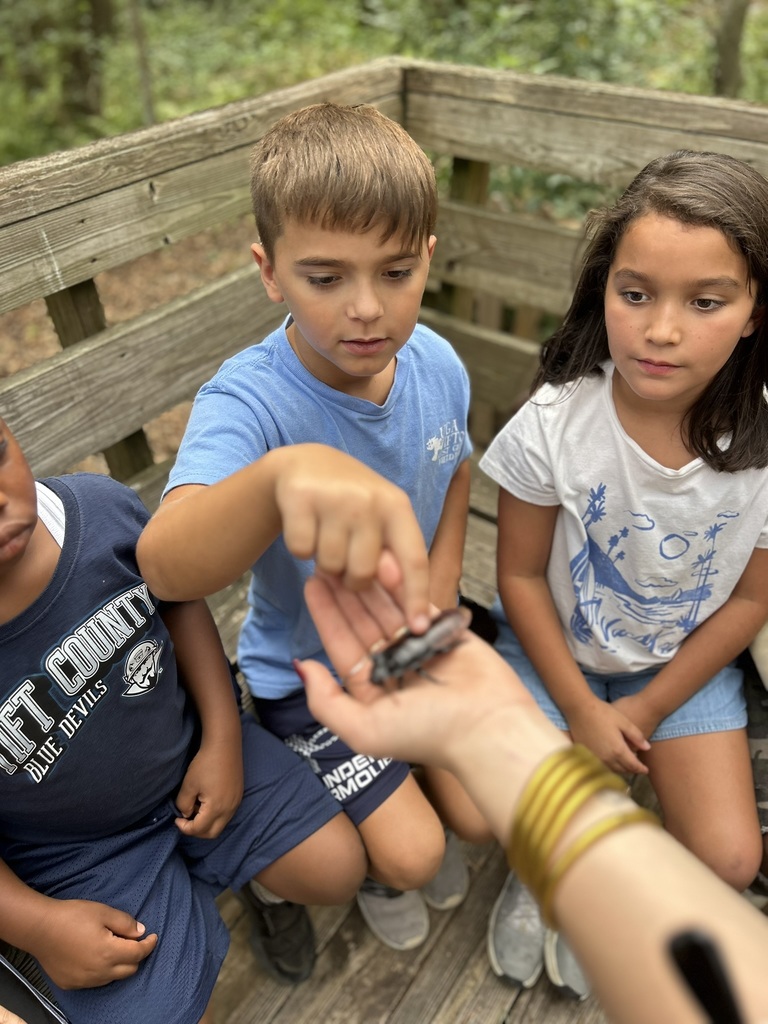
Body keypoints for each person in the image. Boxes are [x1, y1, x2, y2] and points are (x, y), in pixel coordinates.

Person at [137, 102, 486, 955]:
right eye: (325, 278)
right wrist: (281, 476)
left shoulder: (436, 362)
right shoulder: (248, 402)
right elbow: (165, 562)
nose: (366, 310)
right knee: (414, 854)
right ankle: (368, 863)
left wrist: (437, 594)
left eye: (396, 273)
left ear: (428, 259)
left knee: (479, 815)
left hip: (408, 646)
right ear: (269, 271)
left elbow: (457, 470)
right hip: (307, 677)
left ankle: (392, 808)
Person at [478, 149, 768, 999]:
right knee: (488, 806)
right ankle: (549, 875)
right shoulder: (555, 424)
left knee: (729, 856)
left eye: (705, 301)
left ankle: (618, 875)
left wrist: (642, 708)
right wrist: (576, 708)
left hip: (677, 668)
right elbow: (521, 579)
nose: (661, 328)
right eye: (635, 293)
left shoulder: (762, 446)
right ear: (604, 287)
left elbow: (751, 600)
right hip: (554, 656)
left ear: (755, 311)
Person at [0, 415, 381, 1024]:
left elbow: (178, 603)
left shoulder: (99, 512)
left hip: (194, 754)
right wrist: (39, 926)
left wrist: (223, 740)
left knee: (337, 868)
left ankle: (253, 883)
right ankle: (182, 895)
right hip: (80, 853)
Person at [295, 566, 768, 1024]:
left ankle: (559, 883)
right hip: (562, 644)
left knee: (731, 857)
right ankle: (554, 880)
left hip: (672, 650)